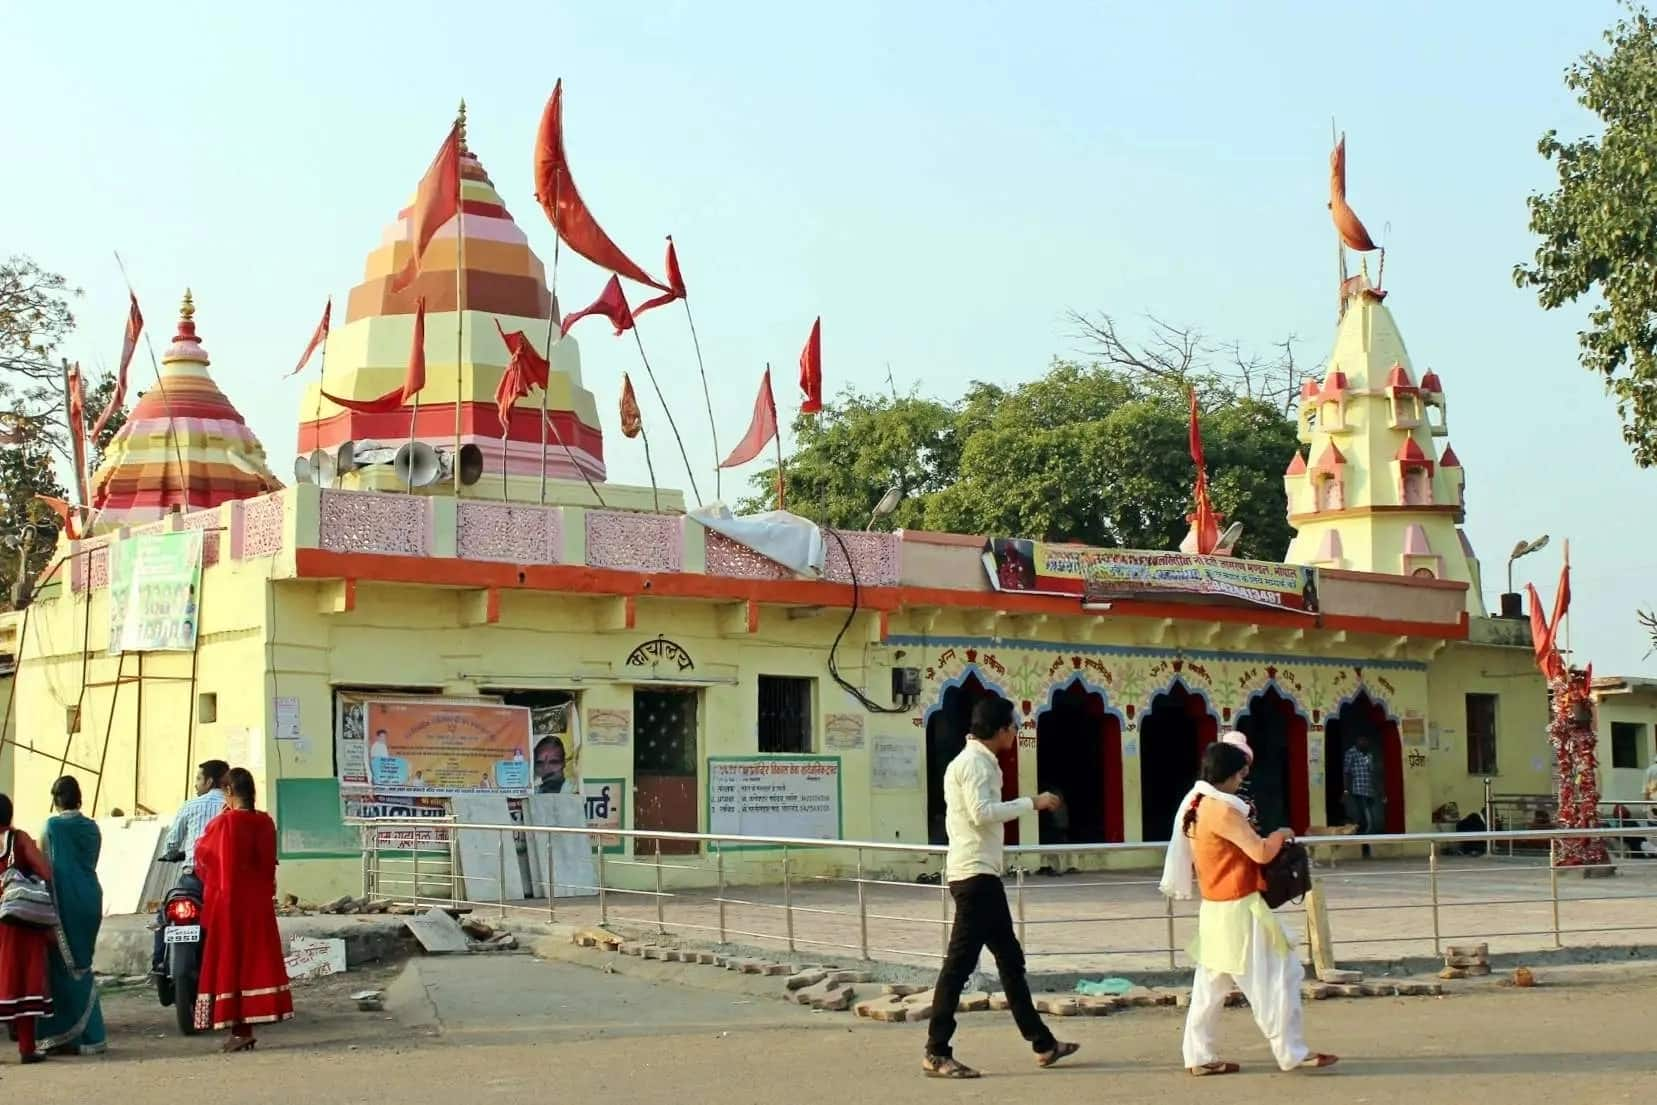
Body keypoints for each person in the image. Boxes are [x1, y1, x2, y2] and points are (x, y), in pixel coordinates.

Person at [922, 697, 1078, 1079]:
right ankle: (936, 1050)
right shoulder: (976, 763)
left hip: (979, 874)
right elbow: (982, 813)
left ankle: (1043, 1042)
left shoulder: (973, 760)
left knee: (1010, 960)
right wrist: (1032, 803)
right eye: (1013, 726)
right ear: (1001, 730)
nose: (1016, 732)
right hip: (975, 877)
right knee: (959, 966)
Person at [1174, 742, 1336, 1076]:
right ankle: (1291, 1051)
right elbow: (1260, 852)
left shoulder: (1197, 804)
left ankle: (1199, 1055)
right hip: (1238, 908)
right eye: (1239, 774)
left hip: (1217, 908)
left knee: (1211, 987)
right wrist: (1281, 834)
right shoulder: (1222, 810)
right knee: (1278, 977)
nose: (1241, 781)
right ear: (1230, 775)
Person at [193, 768, 292, 1051]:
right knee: (252, 963)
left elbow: (203, 854)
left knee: (231, 964)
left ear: (228, 792)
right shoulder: (265, 822)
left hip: (230, 905)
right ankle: (244, 1028)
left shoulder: (224, 824)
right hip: (258, 904)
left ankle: (239, 1029)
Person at [36, 777, 106, 1056]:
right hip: (90, 897)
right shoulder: (92, 828)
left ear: (55, 800)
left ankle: (65, 1035)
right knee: (82, 966)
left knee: (60, 967)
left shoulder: (53, 826)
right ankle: (89, 1036)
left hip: (64, 900)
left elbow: (44, 863)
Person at [153, 760, 229, 977]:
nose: (196, 784)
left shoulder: (191, 805)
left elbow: (172, 842)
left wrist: (171, 853)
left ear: (209, 781)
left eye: (198, 779)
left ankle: (158, 962)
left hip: (193, 878)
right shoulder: (231, 805)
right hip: (223, 880)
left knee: (164, 915)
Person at [1160, 731, 1256, 898]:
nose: (1243, 774)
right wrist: (1277, 838)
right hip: (1231, 888)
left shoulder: (1203, 800)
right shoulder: (1218, 806)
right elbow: (1258, 852)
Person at [0, 793, 52, 1064]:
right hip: (18, 920)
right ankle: (27, 1048)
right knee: (24, 978)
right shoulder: (18, 839)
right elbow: (45, 870)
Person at [1342, 734, 1383, 858]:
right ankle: (1362, 847)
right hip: (1358, 791)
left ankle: (1365, 845)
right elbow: (1346, 773)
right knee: (1364, 820)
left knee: (1373, 821)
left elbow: (1373, 775)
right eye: (1362, 741)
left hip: (1369, 791)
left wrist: (1381, 792)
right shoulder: (1351, 753)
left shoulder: (1369, 755)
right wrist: (1346, 790)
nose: (1365, 743)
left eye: (1366, 741)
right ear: (1358, 741)